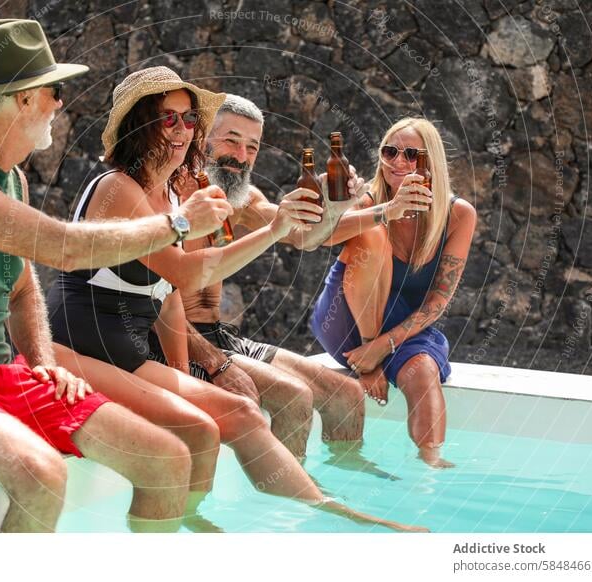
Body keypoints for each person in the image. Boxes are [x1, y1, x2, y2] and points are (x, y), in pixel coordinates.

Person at [0, 19, 234, 533]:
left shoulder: (11, 179)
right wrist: (177, 222)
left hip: (2, 373)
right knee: (41, 474)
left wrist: (43, 362)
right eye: (54, 91)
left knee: (167, 457)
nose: (60, 104)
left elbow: (21, 290)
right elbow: (61, 248)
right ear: (23, 99)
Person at [47, 66, 426, 532]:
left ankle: (322, 509)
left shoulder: (177, 195)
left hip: (145, 347)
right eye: (169, 120)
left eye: (189, 120)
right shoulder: (121, 189)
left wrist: (359, 209)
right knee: (220, 423)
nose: (183, 131)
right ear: (140, 125)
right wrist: (272, 231)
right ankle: (214, 526)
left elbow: (171, 295)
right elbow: (186, 274)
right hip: (87, 345)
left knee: (288, 404)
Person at [161, 94, 367, 460]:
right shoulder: (172, 196)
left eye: (252, 147)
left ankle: (342, 492)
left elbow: (304, 237)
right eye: (231, 140)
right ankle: (287, 505)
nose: (241, 156)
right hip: (178, 340)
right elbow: (161, 300)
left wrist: (335, 210)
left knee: (346, 397)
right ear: (202, 137)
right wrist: (216, 363)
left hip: (219, 334)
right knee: (293, 398)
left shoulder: (242, 198)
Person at [310, 117, 477, 468]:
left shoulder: (457, 214)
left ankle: (431, 470)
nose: (399, 162)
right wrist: (368, 361)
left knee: (424, 371)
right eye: (390, 151)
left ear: (430, 162)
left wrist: (383, 346)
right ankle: (369, 356)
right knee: (371, 234)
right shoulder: (369, 200)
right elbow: (321, 237)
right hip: (346, 319)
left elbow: (438, 301)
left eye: (411, 154)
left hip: (401, 328)